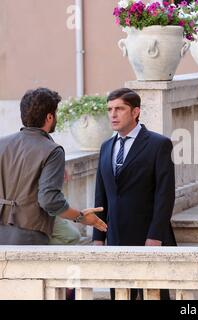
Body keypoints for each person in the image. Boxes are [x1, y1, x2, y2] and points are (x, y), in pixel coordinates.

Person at [93, 88, 176, 300]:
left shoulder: (159, 144)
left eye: (119, 109)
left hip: (149, 237)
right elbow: (101, 195)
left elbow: (164, 195)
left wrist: (155, 236)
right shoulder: (105, 147)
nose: (113, 114)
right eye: (110, 109)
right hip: (115, 238)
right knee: (120, 296)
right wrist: (98, 238)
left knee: (155, 296)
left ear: (135, 111)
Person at [0, 88, 107, 245]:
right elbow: (49, 200)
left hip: (3, 230)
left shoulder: (2, 143)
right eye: (55, 113)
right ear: (49, 117)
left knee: (71, 236)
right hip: (29, 236)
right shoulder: (52, 150)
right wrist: (81, 217)